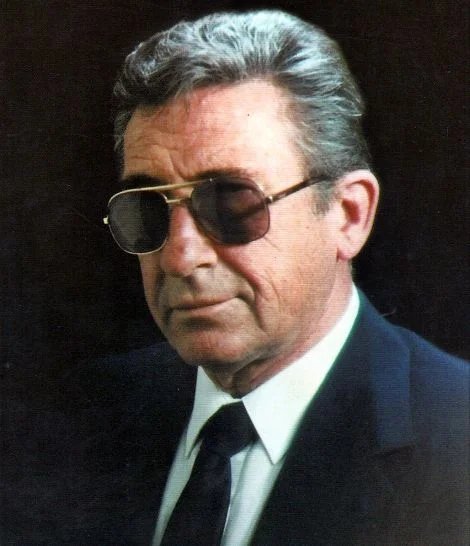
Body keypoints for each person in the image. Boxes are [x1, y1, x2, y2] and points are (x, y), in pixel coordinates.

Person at [69, 9, 468, 546]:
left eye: (232, 203)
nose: (181, 258)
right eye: (148, 208)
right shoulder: (71, 415)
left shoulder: (458, 441)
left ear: (348, 215)